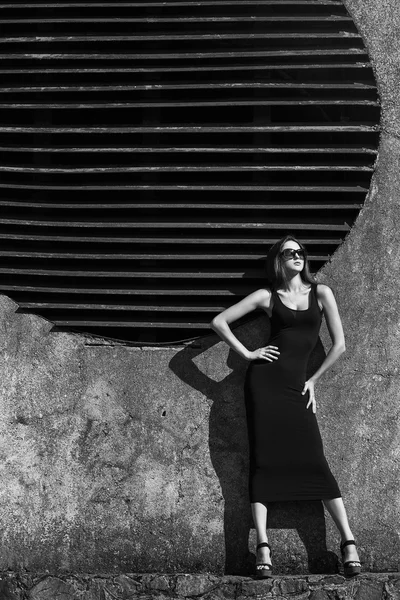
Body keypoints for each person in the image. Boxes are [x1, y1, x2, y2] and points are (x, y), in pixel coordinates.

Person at [210, 235, 361, 578]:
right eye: (288, 252)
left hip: (298, 388)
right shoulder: (267, 296)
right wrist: (248, 354)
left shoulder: (321, 294)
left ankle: (348, 540)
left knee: (314, 459)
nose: (297, 256)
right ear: (277, 261)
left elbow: (340, 346)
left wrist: (314, 380)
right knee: (263, 461)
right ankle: (262, 546)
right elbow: (219, 322)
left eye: (300, 252)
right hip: (264, 386)